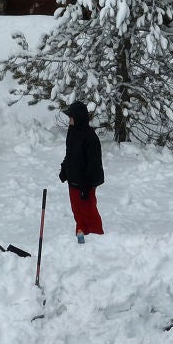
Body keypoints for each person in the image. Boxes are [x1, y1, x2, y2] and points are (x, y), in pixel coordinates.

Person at [58, 100, 104, 243]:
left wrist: (86, 186)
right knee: (78, 214)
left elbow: (93, 165)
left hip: (85, 184)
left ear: (78, 118)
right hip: (73, 182)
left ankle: (99, 240)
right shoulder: (72, 133)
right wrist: (64, 169)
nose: (69, 120)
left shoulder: (90, 137)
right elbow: (70, 154)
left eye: (71, 117)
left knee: (89, 213)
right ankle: (82, 241)